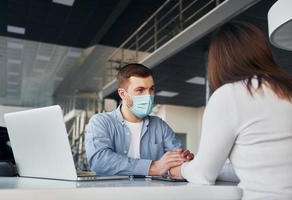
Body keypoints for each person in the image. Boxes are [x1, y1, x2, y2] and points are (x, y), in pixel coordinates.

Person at [169, 21, 292, 199]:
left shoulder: (230, 95)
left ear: (218, 61)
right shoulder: (286, 90)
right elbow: (258, 166)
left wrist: (176, 170)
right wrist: (206, 164)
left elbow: (203, 175)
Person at [85, 63, 193, 176]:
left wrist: (185, 163)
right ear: (123, 94)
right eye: (140, 90)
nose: (148, 96)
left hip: (153, 192)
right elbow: (99, 161)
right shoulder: (101, 122)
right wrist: (153, 167)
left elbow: (178, 161)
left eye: (151, 89)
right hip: (113, 192)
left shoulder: (160, 126)